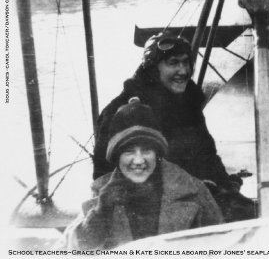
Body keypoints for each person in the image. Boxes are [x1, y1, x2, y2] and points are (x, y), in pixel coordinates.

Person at [93, 33, 254, 222]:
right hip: (145, 205)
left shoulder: (188, 101)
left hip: (194, 193)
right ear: (153, 69)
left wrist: (224, 187)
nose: (183, 70)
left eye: (186, 63)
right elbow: (103, 176)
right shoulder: (124, 111)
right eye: (173, 63)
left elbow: (207, 154)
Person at [59, 98, 223, 250]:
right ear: (116, 157)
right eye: (129, 151)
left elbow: (223, 245)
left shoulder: (194, 190)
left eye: (146, 150)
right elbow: (71, 248)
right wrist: (101, 213)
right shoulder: (101, 192)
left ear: (158, 154)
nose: (138, 161)